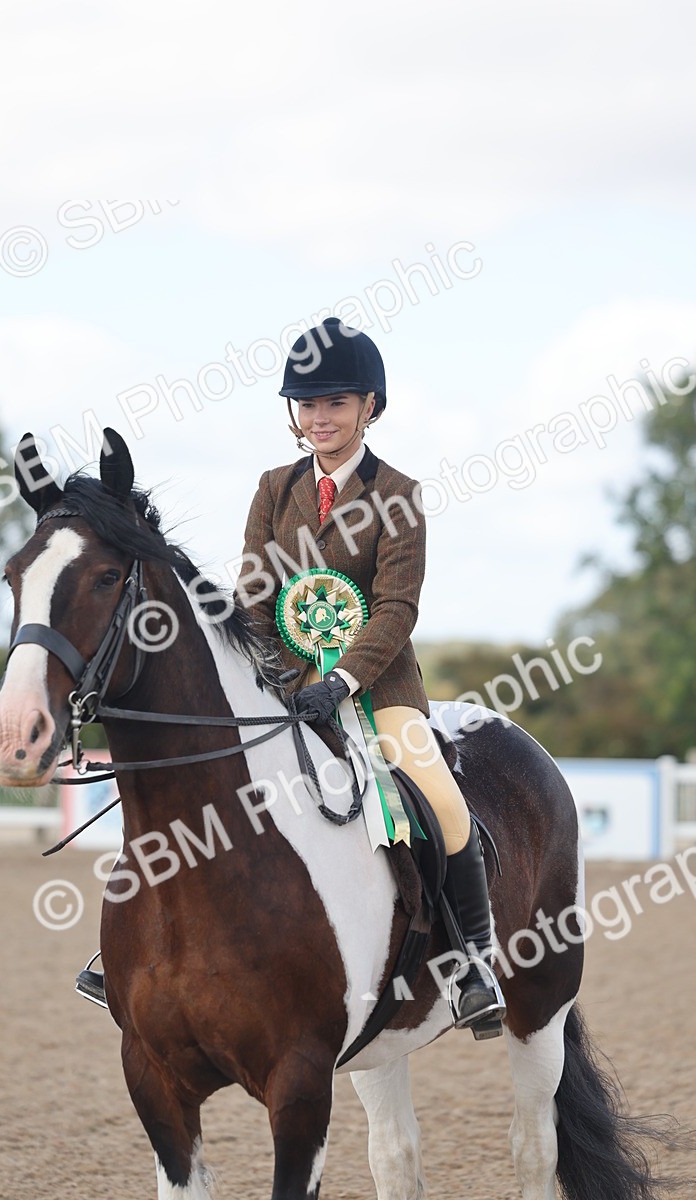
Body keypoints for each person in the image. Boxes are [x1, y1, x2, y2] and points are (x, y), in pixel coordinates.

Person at [236, 316, 505, 1038]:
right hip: (283, 689)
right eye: (308, 404)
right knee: (198, 786)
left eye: (336, 404)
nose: (320, 418)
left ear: (370, 407)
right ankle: (130, 947)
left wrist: (344, 681)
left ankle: (474, 964)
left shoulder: (401, 494)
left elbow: (396, 606)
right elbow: (254, 595)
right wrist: (268, 678)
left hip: (377, 689)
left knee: (443, 804)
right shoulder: (271, 488)